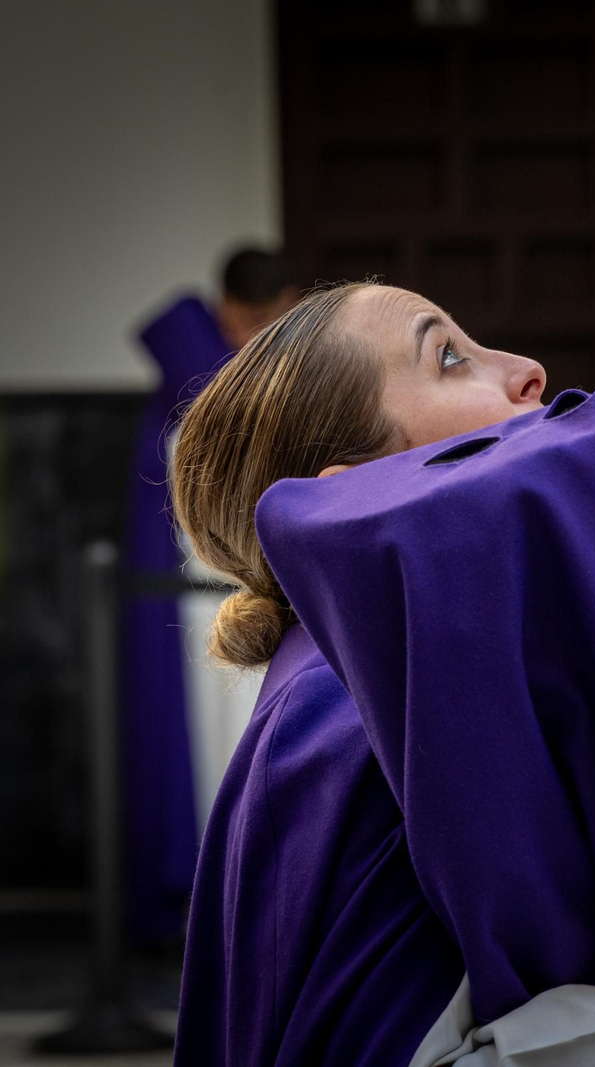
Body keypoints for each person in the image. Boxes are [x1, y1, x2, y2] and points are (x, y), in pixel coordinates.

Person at [168, 282, 595, 1066]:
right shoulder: (350, 715)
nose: (528, 370)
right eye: (449, 356)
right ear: (350, 491)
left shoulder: (384, 674)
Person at [122, 244, 297, 945]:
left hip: (219, 586)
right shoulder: (209, 372)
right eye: (251, 319)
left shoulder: (215, 367)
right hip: (200, 587)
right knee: (210, 752)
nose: (256, 335)